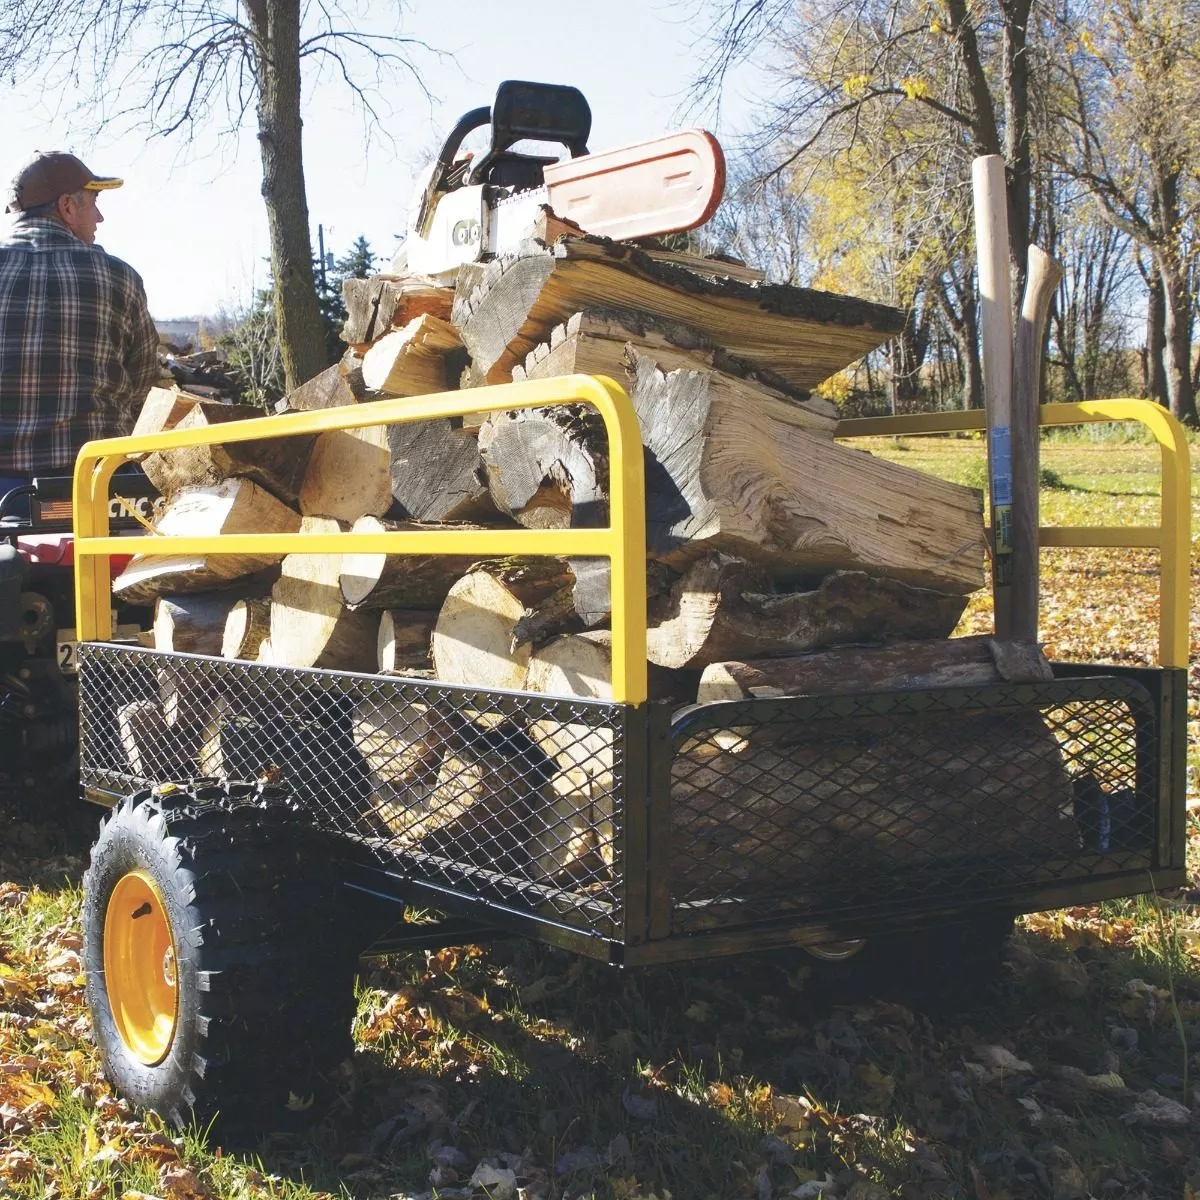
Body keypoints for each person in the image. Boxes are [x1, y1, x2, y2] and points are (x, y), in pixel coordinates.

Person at [0, 151, 160, 516]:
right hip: (95, 488)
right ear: (67, 207)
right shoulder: (118, 277)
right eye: (94, 203)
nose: (100, 217)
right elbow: (144, 386)